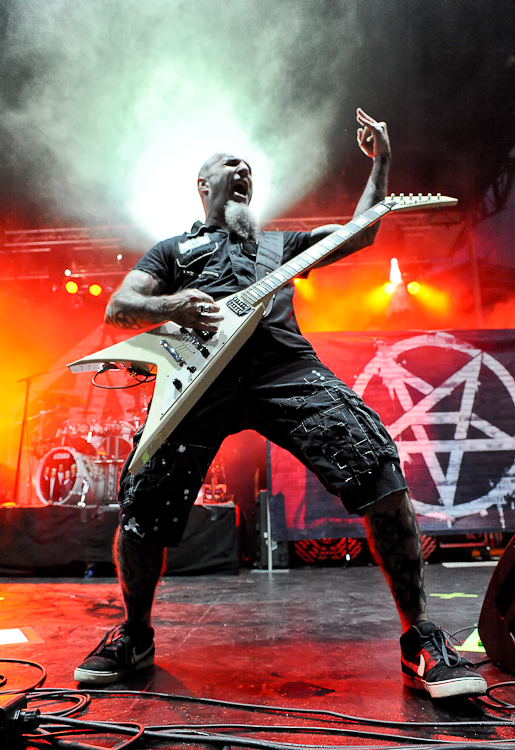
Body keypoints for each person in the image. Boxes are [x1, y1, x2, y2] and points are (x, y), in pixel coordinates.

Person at [74, 108, 487, 700]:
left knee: (377, 464)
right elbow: (119, 307)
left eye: (249, 167)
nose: (243, 170)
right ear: (203, 185)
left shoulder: (280, 246)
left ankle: (420, 639)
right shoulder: (171, 250)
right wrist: (175, 306)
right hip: (198, 381)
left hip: (284, 368)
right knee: (143, 499)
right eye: (229, 164)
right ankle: (134, 635)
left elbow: (363, 229)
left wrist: (382, 164)